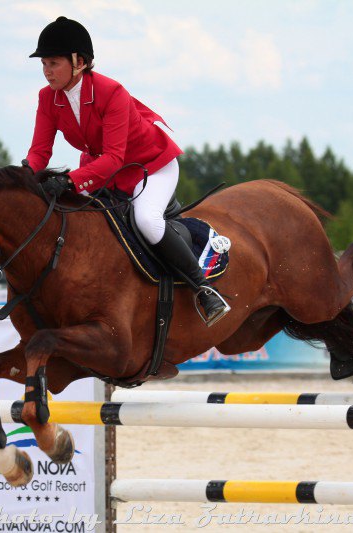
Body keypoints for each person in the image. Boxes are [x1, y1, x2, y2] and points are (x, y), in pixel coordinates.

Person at [25, 16, 230, 326]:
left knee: (146, 219)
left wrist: (68, 180)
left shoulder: (111, 92)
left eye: (53, 62)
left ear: (79, 62)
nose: (46, 70)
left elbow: (113, 157)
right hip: (104, 171)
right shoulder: (47, 97)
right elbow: (40, 151)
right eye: (44, 63)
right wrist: (24, 178)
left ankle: (203, 288)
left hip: (151, 165)